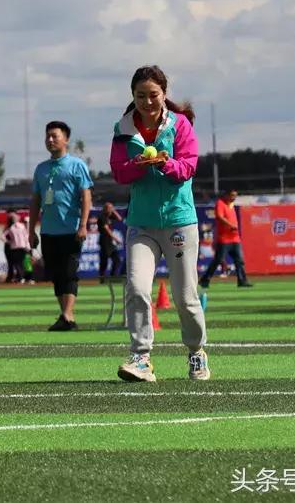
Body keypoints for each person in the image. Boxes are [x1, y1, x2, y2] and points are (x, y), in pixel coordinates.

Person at [110, 65, 209, 382]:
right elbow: (119, 172)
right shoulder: (124, 128)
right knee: (137, 289)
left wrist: (166, 163)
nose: (147, 102)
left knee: (185, 297)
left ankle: (196, 353)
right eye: (141, 96)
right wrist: (137, 165)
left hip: (179, 221)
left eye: (153, 95)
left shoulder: (179, 125)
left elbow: (188, 167)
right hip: (141, 223)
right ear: (133, 97)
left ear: (164, 94)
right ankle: (141, 358)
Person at [29, 121, 93, 331]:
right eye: (47, 136)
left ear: (66, 139)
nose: (50, 140)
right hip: (48, 230)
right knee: (56, 274)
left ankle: (67, 313)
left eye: (54, 136)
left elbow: (86, 197)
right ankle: (67, 317)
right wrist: (31, 230)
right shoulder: (41, 169)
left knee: (69, 272)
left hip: (71, 229)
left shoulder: (76, 165)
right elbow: (36, 201)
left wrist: (83, 225)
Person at [199, 189, 252, 288]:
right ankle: (204, 280)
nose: (234, 198)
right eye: (232, 195)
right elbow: (219, 216)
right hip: (224, 238)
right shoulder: (220, 203)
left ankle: (242, 281)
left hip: (235, 238)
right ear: (226, 195)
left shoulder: (231, 205)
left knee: (239, 260)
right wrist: (230, 225)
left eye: (235, 195)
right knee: (218, 260)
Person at [96, 202, 124, 281]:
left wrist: (114, 211)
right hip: (104, 240)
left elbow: (119, 219)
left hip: (110, 241)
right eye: (109, 208)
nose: (110, 209)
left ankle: (113, 277)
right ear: (105, 208)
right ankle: (102, 279)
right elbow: (107, 230)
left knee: (117, 260)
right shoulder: (102, 217)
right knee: (104, 261)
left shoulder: (110, 216)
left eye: (111, 208)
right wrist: (116, 239)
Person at [3, 211, 30, 283]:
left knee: (17, 263)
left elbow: (2, 236)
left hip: (14, 247)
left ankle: (21, 277)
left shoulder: (11, 227)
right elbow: (26, 236)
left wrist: (9, 242)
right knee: (21, 262)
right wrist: (28, 246)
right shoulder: (22, 226)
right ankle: (22, 277)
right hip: (22, 247)